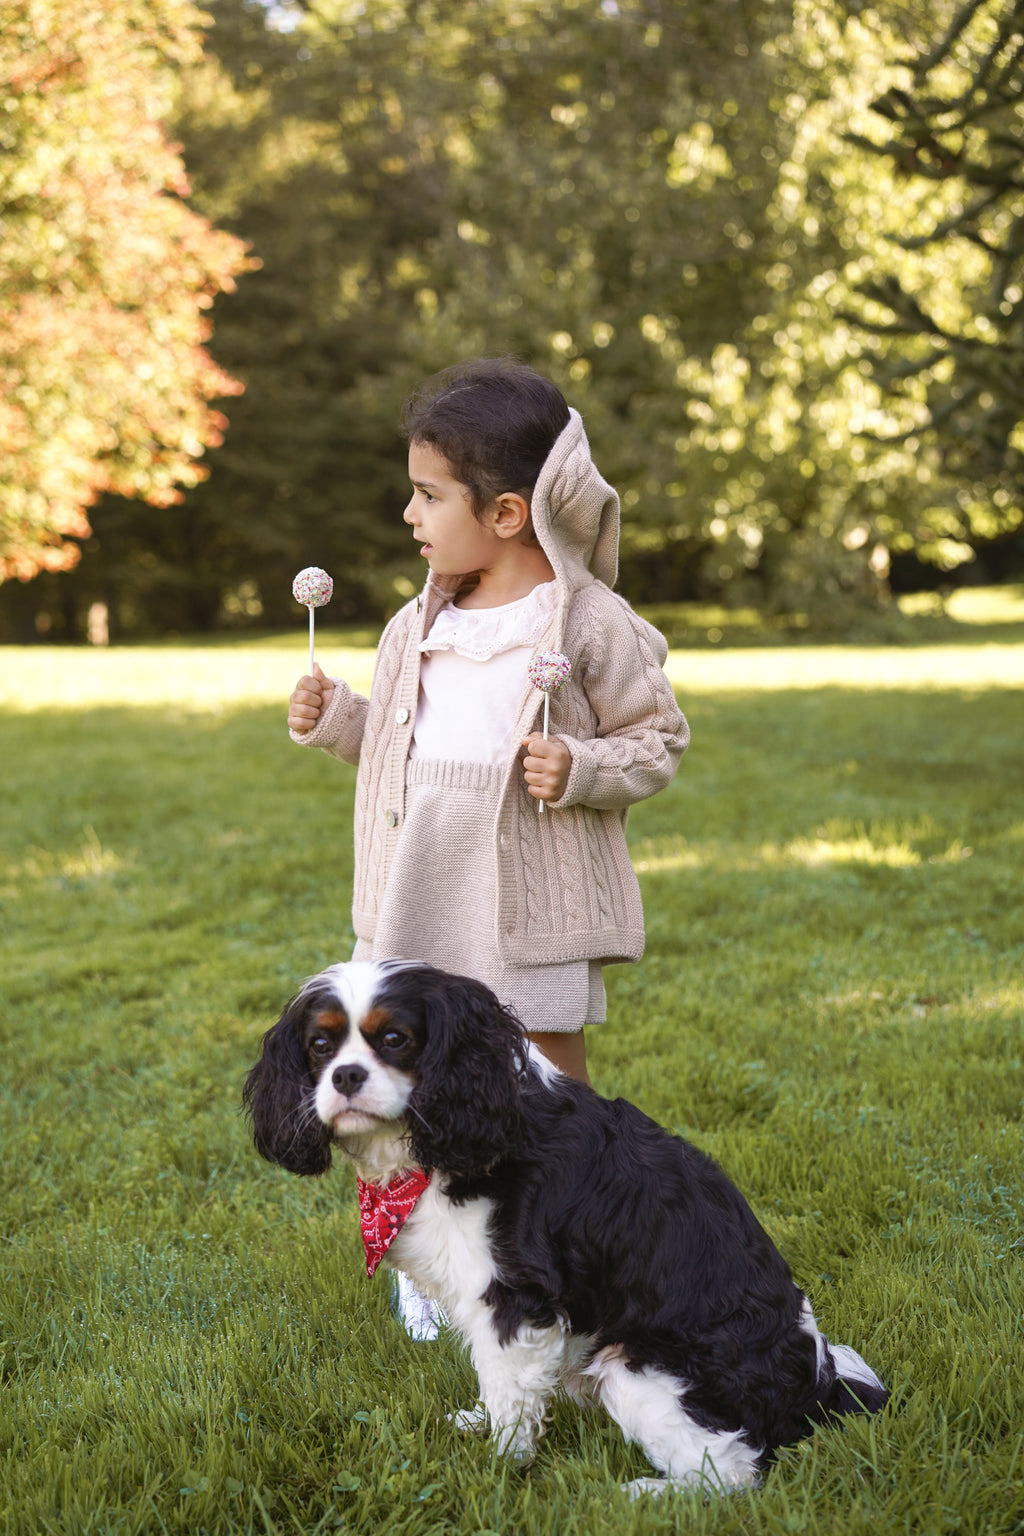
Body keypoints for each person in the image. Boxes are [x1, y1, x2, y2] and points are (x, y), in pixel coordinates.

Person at [288, 359, 689, 1331]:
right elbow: (402, 749)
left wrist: (581, 767)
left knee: (545, 1080)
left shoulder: (591, 623)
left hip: (529, 904)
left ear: (507, 513)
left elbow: (658, 740)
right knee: (411, 1075)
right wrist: (340, 716)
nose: (409, 515)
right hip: (422, 894)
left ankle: (569, 1247)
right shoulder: (414, 625)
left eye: (428, 495)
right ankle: (432, 1262)